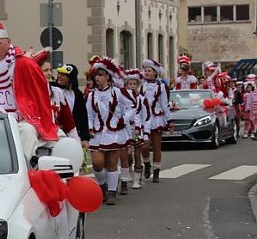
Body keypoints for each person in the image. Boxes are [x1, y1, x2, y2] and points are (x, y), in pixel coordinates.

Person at [0, 19, 58, 160]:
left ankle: (22, 170)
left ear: (8, 42)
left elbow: (37, 99)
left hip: (22, 119)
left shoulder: (25, 64)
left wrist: (17, 115)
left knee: (27, 131)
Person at [86, 58, 133, 205]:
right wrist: (89, 127)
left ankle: (112, 193)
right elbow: (89, 114)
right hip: (98, 133)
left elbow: (132, 106)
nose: (98, 78)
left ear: (107, 77)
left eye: (100, 75)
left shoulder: (119, 93)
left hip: (114, 132)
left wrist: (123, 120)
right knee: (97, 163)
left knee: (112, 163)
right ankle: (102, 186)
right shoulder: (91, 95)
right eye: (96, 76)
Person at [139, 59, 172, 184]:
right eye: (145, 70)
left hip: (157, 118)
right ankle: (146, 163)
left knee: (157, 146)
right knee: (144, 145)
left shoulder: (162, 87)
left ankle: (156, 171)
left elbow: (164, 104)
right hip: (144, 119)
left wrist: (169, 120)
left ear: (155, 73)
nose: (146, 73)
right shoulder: (140, 85)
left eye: (149, 71)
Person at [54, 64, 91, 146]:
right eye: (59, 73)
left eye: (63, 75)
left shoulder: (77, 94)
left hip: (72, 133)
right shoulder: (51, 88)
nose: (59, 76)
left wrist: (84, 137)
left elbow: (83, 117)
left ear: (70, 78)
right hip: (54, 132)